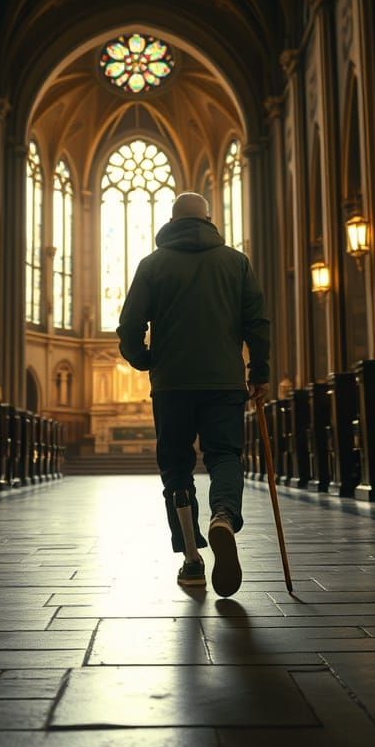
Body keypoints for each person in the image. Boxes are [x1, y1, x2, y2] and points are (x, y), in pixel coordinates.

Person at [117, 191, 270, 596]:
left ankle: (191, 558)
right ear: (208, 219)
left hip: (172, 383)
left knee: (176, 465)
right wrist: (260, 370)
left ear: (171, 220)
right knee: (224, 455)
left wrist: (143, 358)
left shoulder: (152, 265)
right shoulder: (236, 262)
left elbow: (129, 323)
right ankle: (223, 515)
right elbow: (257, 321)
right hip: (223, 380)